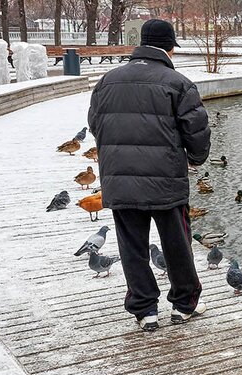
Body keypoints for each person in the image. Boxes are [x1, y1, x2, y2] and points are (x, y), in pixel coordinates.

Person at [88, 19, 210, 332]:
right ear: (170, 47)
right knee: (177, 245)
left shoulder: (106, 82)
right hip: (165, 181)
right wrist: (195, 159)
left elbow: (95, 125)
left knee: (133, 247)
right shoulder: (178, 83)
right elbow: (196, 131)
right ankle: (184, 305)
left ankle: (145, 311)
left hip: (120, 180)